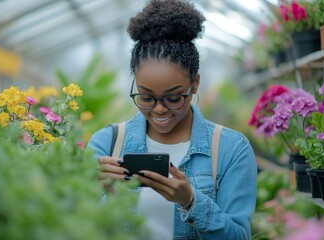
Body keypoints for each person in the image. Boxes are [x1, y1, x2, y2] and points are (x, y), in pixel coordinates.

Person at [87, 0, 257, 239]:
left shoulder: (231, 149)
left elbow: (239, 236)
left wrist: (190, 201)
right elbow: (81, 226)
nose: (159, 110)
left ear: (194, 83)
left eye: (174, 98)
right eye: (146, 97)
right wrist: (110, 195)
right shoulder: (106, 144)